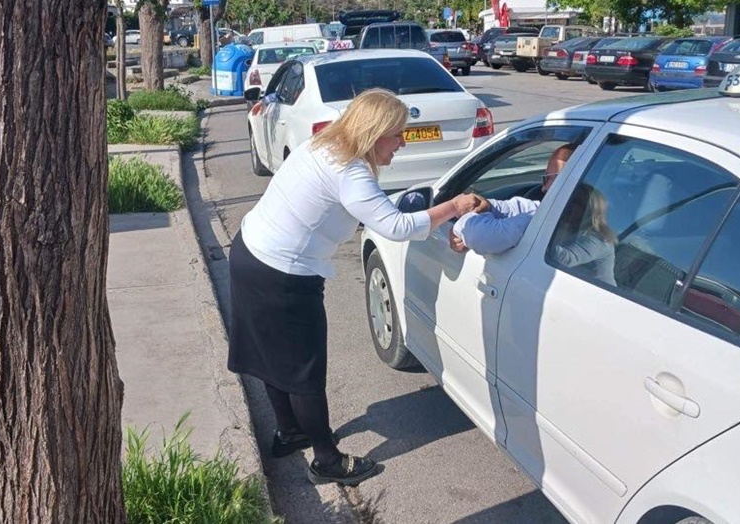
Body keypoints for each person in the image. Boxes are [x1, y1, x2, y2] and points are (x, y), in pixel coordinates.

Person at [228, 88, 482, 487]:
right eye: (397, 134)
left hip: (251, 253)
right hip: (282, 274)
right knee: (304, 372)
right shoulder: (350, 171)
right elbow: (397, 227)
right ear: (375, 131)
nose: (402, 143)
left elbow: (376, 210)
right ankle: (326, 461)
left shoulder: (325, 144)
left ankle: (289, 431)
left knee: (273, 358)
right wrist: (455, 207)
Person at [449, 143, 576, 255]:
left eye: (548, 178)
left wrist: (460, 225)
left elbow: (483, 236)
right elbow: (517, 208)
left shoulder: (542, 220)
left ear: (571, 182)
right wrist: (487, 206)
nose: (543, 188)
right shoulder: (556, 212)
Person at [548, 183, 617, 285]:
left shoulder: (598, 240)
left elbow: (564, 259)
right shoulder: (570, 228)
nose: (569, 205)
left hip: (599, 296)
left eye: (576, 202)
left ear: (589, 210)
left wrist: (540, 240)